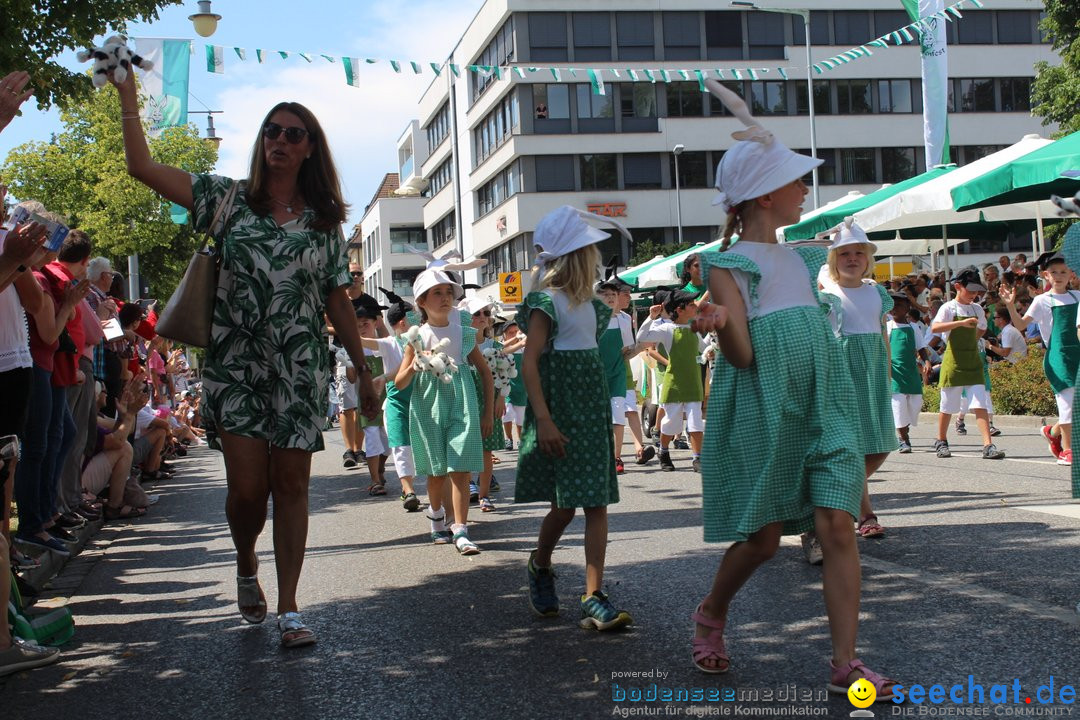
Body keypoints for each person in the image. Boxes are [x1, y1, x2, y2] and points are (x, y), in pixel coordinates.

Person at [112, 67, 378, 648]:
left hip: (300, 365)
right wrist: (129, 97)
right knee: (246, 493)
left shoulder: (325, 222)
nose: (279, 141)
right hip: (236, 366)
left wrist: (362, 367)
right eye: (271, 131)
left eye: (293, 134)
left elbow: (337, 296)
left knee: (293, 485)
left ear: (310, 149)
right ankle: (244, 559)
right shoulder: (225, 198)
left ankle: (290, 609)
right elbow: (142, 168)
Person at [687, 78, 896, 699]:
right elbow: (745, 358)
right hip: (767, 407)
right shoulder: (726, 265)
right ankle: (712, 612)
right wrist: (722, 327)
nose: (805, 186)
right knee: (763, 540)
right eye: (795, 178)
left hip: (825, 404)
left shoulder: (807, 259)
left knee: (837, 523)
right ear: (762, 195)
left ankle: (845, 663)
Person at [516, 205, 632, 631]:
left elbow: (588, 361)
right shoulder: (547, 302)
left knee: (597, 502)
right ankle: (540, 564)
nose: (595, 259)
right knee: (564, 507)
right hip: (561, 410)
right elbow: (530, 364)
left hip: (591, 407)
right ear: (573, 257)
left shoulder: (594, 307)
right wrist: (544, 420)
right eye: (588, 252)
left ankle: (592, 593)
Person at [395, 266, 492, 555]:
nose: (444, 297)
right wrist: (413, 367)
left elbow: (485, 373)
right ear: (422, 302)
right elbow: (399, 382)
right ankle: (437, 516)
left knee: (460, 468)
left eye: (448, 291)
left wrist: (487, 412)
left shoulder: (464, 333)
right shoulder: (416, 336)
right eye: (437, 293)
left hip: (462, 401)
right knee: (436, 473)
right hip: (427, 405)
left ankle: (461, 529)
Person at [815, 220, 896, 545]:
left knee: (881, 445)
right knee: (853, 447)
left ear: (868, 258)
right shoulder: (828, 293)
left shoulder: (877, 292)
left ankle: (837, 495)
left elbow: (881, 333)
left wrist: (888, 370)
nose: (852, 258)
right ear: (834, 259)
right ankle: (865, 514)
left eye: (858, 253)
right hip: (842, 373)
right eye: (845, 253)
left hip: (873, 372)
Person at [1001, 252, 1078, 466]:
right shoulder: (1042, 301)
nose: (1059, 275)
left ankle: (1052, 432)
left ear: (1071, 274)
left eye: (1063, 271)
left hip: (1077, 356)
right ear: (1045, 275)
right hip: (1058, 358)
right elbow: (1021, 325)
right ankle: (1068, 450)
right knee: (1068, 403)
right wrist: (1010, 304)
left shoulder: (1078, 297)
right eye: (1054, 272)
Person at [930, 268, 1004, 460]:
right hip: (953, 360)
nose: (974, 294)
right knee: (948, 405)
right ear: (957, 287)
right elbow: (935, 327)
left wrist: (974, 340)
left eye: (976, 291)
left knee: (980, 403)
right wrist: (959, 324)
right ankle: (941, 440)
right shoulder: (948, 308)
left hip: (973, 360)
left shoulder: (977, 309)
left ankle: (988, 445)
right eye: (970, 290)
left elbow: (981, 328)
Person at [361, 288, 421, 511]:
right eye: (414, 315)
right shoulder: (389, 343)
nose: (419, 318)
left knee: (407, 447)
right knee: (400, 445)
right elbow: (363, 342)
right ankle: (409, 491)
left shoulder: (423, 341)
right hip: (396, 402)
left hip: (421, 400)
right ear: (403, 322)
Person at [635, 290, 706, 473]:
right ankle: (663, 451)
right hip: (674, 383)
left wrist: (711, 350)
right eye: (691, 304)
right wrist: (650, 317)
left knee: (695, 422)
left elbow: (704, 349)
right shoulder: (667, 329)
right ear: (680, 309)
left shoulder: (693, 328)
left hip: (693, 383)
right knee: (671, 423)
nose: (695, 307)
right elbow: (642, 338)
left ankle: (697, 458)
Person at [465, 295, 504, 511]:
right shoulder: (461, 343)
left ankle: (484, 494)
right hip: (468, 396)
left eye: (486, 313)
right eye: (476, 313)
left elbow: (504, 373)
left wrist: (501, 398)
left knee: (486, 450)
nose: (482, 317)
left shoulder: (494, 344)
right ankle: (469, 484)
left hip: (489, 398)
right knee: (467, 446)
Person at [886, 293, 930, 454]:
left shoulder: (914, 327)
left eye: (899, 305)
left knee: (915, 404)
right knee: (898, 405)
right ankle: (903, 439)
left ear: (907, 308)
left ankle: (904, 427)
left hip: (911, 372)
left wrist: (926, 361)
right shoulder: (888, 327)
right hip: (894, 373)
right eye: (892, 305)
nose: (895, 308)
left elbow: (921, 348)